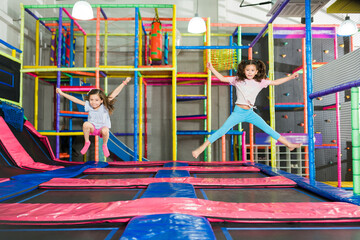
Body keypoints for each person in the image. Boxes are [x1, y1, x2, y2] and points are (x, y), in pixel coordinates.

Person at [192, 60, 301, 159]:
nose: (249, 72)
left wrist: (290, 77)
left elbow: (276, 82)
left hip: (250, 113)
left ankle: (289, 144)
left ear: (256, 72)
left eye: (252, 70)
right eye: (247, 70)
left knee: (268, 129)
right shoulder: (237, 80)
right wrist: (211, 68)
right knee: (222, 131)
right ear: (244, 71)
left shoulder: (260, 82)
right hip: (238, 112)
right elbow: (222, 78)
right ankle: (201, 149)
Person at [56, 77, 131, 158]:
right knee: (86, 124)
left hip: (102, 130)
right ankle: (87, 142)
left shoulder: (104, 105)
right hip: (93, 128)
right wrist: (62, 93)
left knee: (106, 130)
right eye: (91, 99)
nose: (93, 102)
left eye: (96, 100)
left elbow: (115, 93)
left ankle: (104, 145)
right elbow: (75, 100)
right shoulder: (88, 105)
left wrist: (124, 82)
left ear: (101, 100)